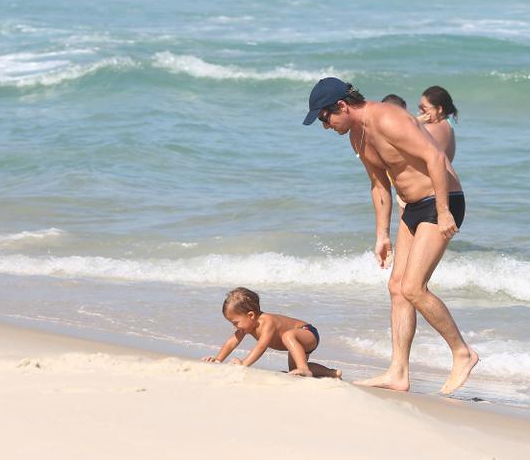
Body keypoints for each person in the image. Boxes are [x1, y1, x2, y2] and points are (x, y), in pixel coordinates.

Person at [302, 77, 478, 395]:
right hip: (412, 207)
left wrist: (443, 211)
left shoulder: (388, 118)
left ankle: (462, 353)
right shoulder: (357, 136)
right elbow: (379, 185)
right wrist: (381, 234)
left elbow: (435, 157)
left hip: (441, 202)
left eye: (325, 118)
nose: (325, 126)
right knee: (396, 287)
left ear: (341, 106)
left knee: (413, 287)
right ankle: (398, 372)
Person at [203, 287, 342, 379]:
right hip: (296, 345)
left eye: (235, 322)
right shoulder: (246, 326)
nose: (235, 327)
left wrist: (244, 364)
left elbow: (261, 347)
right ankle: (332, 373)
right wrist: (218, 360)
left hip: (307, 333)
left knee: (288, 335)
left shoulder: (267, 322)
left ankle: (303, 368)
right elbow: (232, 342)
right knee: (293, 370)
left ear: (251, 315)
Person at [417, 85, 457, 165]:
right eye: (419, 107)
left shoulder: (429, 129)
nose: (420, 112)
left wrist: (415, 122)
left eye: (423, 108)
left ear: (439, 109)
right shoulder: (449, 125)